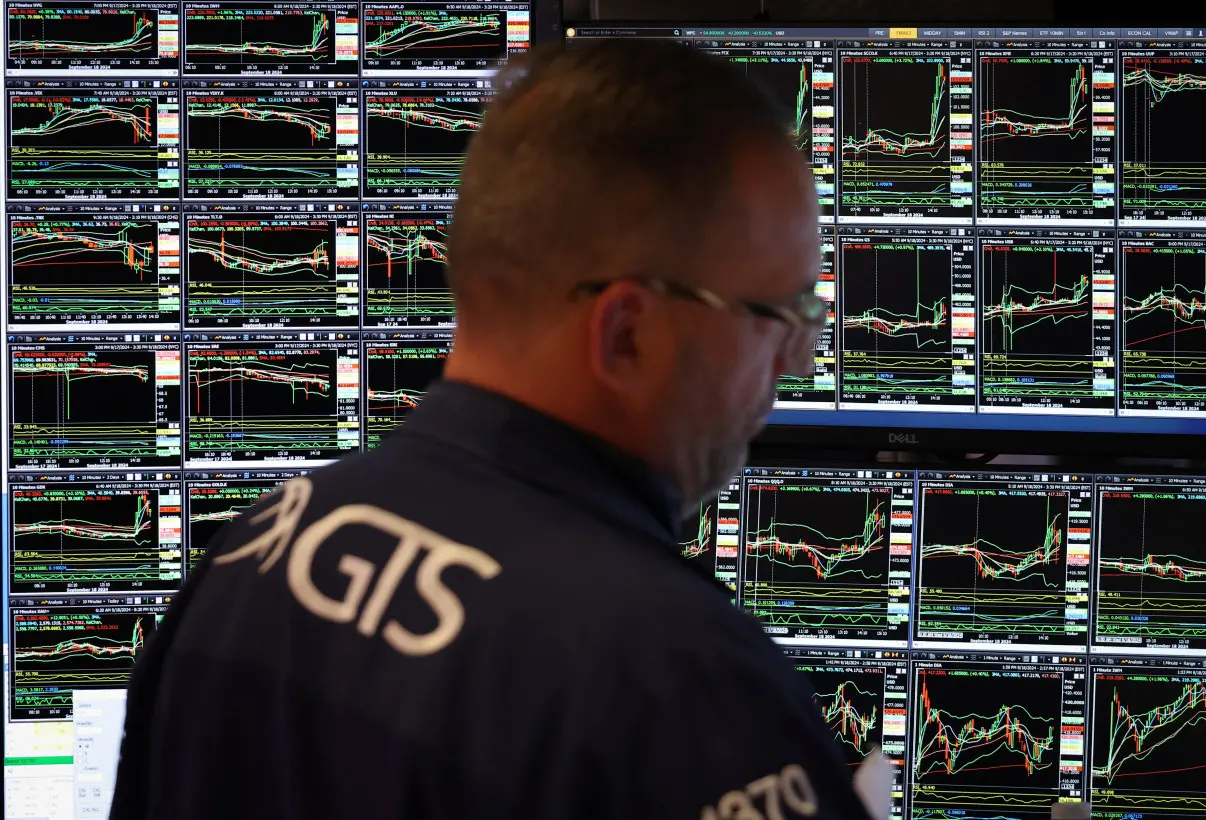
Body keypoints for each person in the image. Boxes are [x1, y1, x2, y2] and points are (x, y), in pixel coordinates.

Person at [109, 39, 872, 820]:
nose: (794, 365)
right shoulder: (674, 682)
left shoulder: (250, 557)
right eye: (780, 319)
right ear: (627, 335)